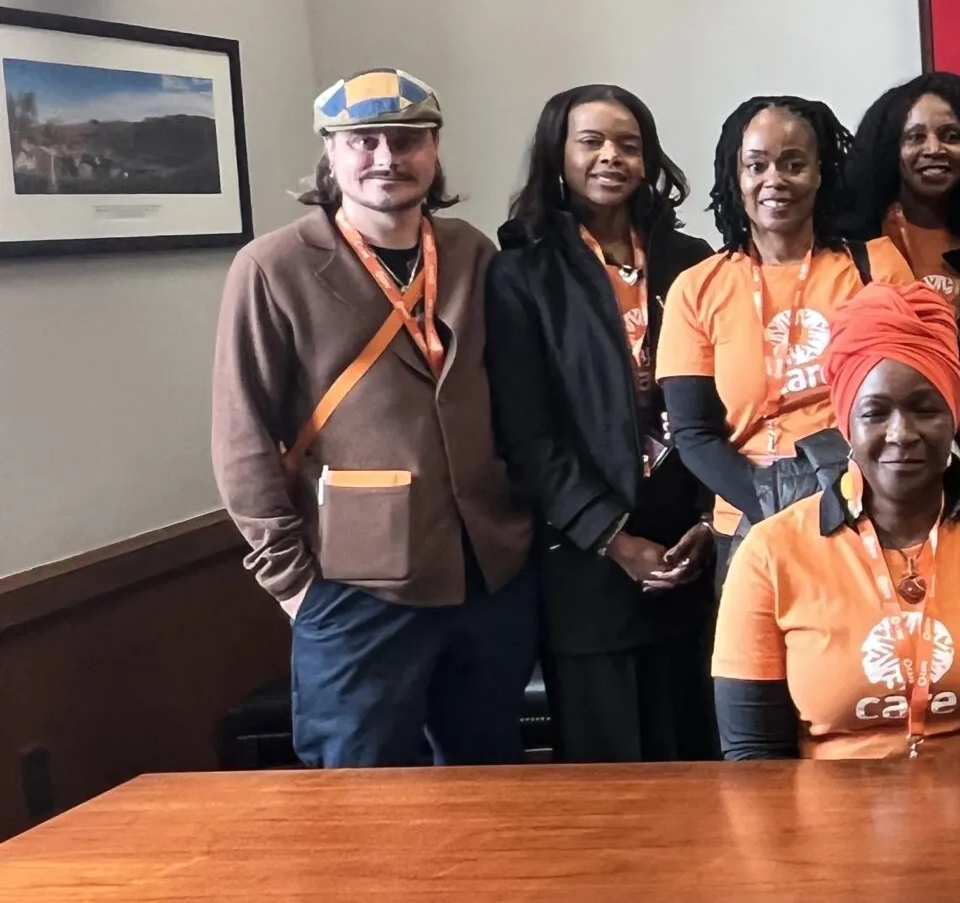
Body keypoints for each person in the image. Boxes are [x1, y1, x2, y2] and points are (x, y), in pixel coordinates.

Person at [210, 70, 536, 767]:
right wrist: (294, 585)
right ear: (331, 153)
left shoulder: (471, 251)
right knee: (362, 800)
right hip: (354, 582)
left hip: (487, 573)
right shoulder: (274, 267)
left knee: (495, 794)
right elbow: (242, 438)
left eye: (408, 139)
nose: (387, 158)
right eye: (364, 141)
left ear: (435, 148)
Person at [712, 281, 960, 758]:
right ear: (846, 424)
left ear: (954, 417)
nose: (902, 434)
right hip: (825, 823)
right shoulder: (770, 553)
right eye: (875, 413)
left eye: (926, 409)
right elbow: (754, 754)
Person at [486, 84, 719, 762]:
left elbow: (729, 404)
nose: (611, 156)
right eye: (591, 142)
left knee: (702, 756)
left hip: (692, 545)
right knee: (610, 773)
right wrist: (616, 541)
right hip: (586, 559)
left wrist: (707, 524)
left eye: (629, 143)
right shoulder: (521, 273)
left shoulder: (693, 261)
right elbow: (527, 436)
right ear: (557, 156)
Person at [660, 96, 914, 574]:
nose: (774, 179)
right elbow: (693, 433)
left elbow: (904, 400)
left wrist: (835, 503)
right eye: (757, 165)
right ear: (736, 177)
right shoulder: (697, 288)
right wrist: (777, 505)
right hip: (747, 524)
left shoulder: (876, 267)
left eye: (794, 164)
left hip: (865, 511)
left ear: (821, 174)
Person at [847, 71, 960, 307]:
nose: (934, 149)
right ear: (889, 149)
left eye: (952, 136)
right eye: (915, 137)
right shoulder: (857, 239)